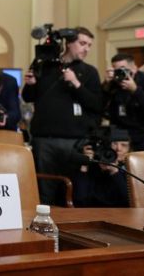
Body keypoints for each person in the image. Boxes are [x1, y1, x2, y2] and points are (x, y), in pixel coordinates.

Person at [22, 27, 102, 205]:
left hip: (74, 141)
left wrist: (76, 83)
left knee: (72, 193)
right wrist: (31, 84)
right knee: (44, 193)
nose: (86, 49)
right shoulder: (43, 64)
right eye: (82, 43)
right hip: (44, 140)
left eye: (89, 45)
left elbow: (97, 105)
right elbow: (28, 97)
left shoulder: (90, 72)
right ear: (69, 43)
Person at [102, 53, 144, 151]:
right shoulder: (113, 84)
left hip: (142, 136)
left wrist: (135, 90)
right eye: (116, 70)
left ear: (134, 68)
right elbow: (100, 107)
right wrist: (106, 85)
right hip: (118, 136)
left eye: (123, 69)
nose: (120, 73)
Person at [72, 128, 131, 207]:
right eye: (114, 144)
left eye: (123, 145)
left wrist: (115, 172)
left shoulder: (132, 169)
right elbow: (79, 200)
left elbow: (129, 202)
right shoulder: (92, 167)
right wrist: (84, 164)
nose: (118, 149)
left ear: (129, 150)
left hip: (120, 214)